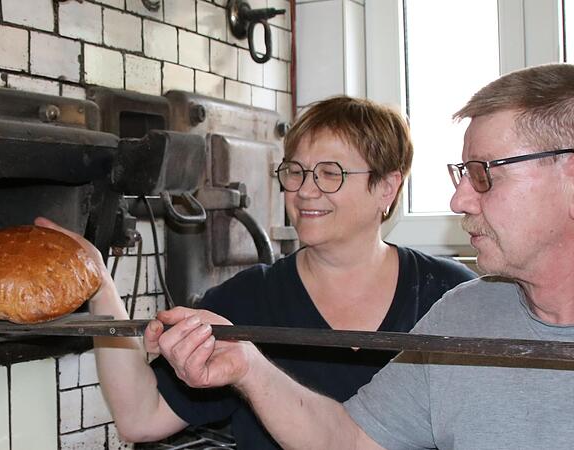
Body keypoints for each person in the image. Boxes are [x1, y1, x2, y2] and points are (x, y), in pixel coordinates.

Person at [147, 63, 574, 449]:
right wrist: (248, 369)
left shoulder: (443, 289)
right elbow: (351, 441)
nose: (459, 198)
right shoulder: (464, 314)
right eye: (462, 174)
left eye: (484, 174)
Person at [35, 96, 475, 448]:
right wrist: (99, 284)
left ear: (387, 186)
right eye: (295, 172)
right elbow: (141, 417)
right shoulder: (248, 300)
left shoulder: (450, 295)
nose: (303, 191)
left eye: (329, 174)